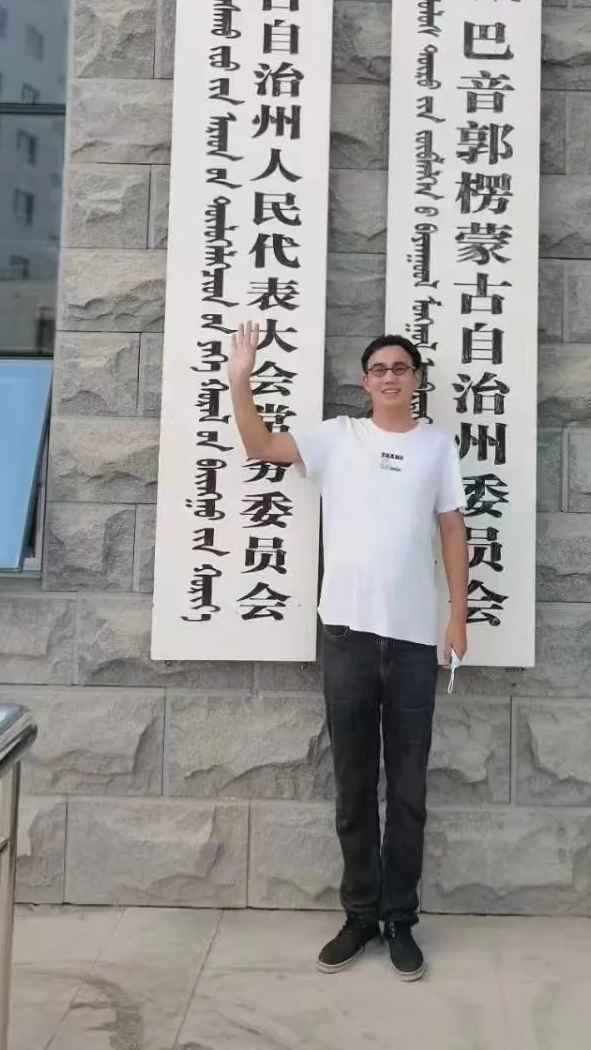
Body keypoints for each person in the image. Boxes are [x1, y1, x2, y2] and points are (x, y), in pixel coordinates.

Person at [227, 323, 468, 981]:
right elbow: (260, 445)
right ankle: (360, 914)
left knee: (409, 789)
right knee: (354, 785)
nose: (390, 376)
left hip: (414, 640)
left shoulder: (436, 446)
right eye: (379, 368)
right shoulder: (338, 438)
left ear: (415, 380)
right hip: (347, 637)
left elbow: (452, 527)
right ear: (365, 382)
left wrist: (457, 616)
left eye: (401, 367)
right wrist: (240, 379)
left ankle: (401, 920)